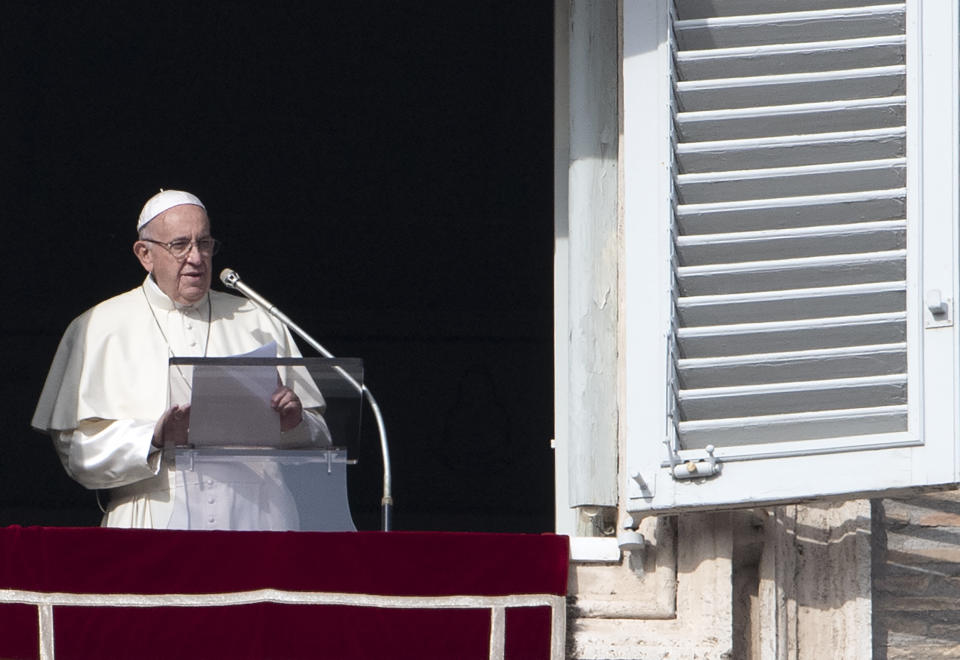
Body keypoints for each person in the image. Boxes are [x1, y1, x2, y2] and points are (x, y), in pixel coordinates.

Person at [31, 190, 331, 529]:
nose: (196, 258)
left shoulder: (258, 319)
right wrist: (154, 437)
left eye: (204, 243)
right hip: (153, 520)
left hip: (259, 520)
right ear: (145, 254)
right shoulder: (99, 326)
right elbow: (77, 452)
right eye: (180, 245)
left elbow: (321, 436)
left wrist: (295, 423)